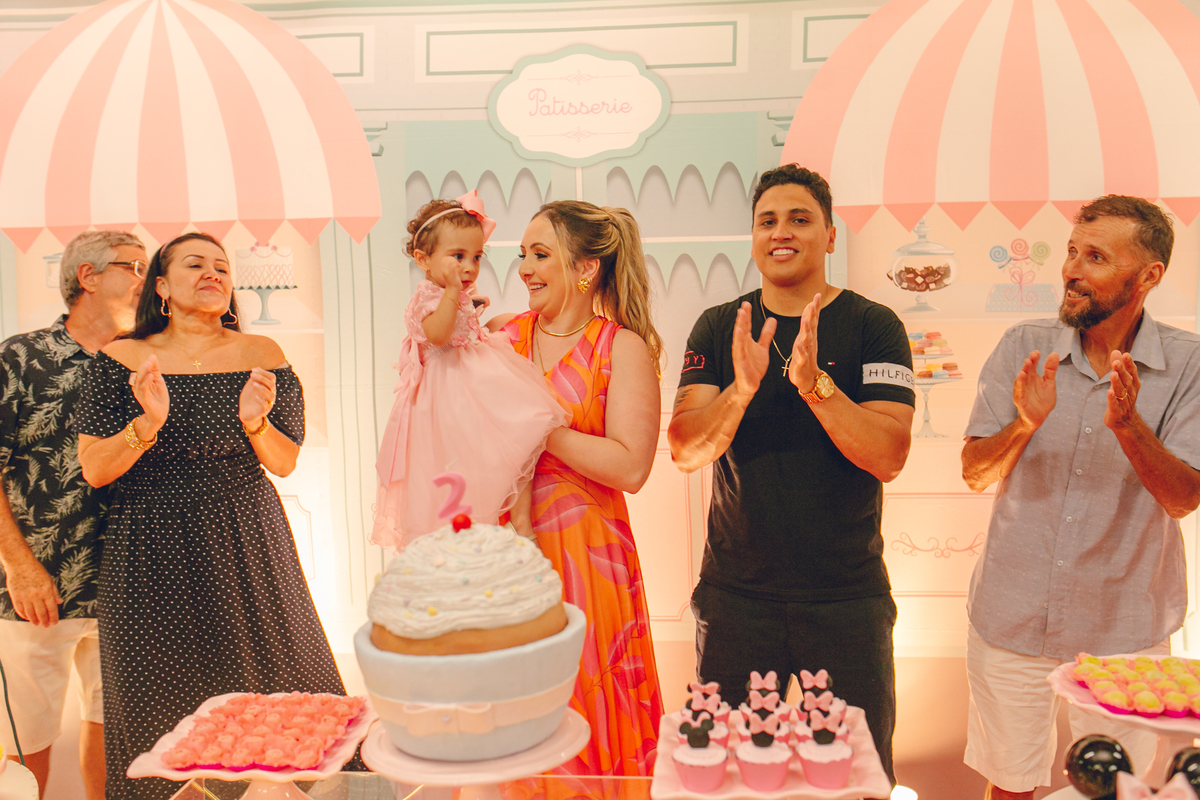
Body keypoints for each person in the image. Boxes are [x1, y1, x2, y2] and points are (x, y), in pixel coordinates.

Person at [74, 232, 349, 800]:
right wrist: (146, 425)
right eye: (195, 264)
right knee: (160, 697)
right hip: (149, 542)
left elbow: (285, 461)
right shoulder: (122, 359)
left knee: (269, 685)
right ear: (161, 286)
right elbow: (95, 469)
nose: (213, 274)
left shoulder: (262, 354)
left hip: (244, 537)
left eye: (222, 267)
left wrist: (255, 422)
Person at [667, 164, 915, 782]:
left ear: (830, 236)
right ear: (753, 237)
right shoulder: (720, 327)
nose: (781, 232)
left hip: (847, 600)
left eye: (799, 219)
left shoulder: (874, 325)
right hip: (736, 600)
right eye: (767, 221)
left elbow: (889, 454)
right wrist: (740, 389)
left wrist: (815, 386)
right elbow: (686, 450)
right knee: (731, 779)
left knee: (859, 779)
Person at [961, 196, 1200, 800]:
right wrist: (1024, 424)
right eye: (1072, 252)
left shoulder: (1189, 364)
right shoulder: (1024, 345)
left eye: (1096, 257)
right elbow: (975, 473)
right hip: (1010, 619)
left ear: (1148, 276)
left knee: (1117, 789)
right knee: (1010, 785)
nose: (1071, 269)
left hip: (1128, 629)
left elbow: (1183, 500)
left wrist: (1130, 426)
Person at [490, 200, 664, 775]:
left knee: (583, 709)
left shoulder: (621, 347)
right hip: (506, 557)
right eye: (524, 255)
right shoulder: (502, 338)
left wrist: (542, 426)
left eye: (541, 255)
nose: (525, 269)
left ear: (586, 268)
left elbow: (631, 467)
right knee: (512, 715)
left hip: (588, 564)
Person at [0, 231, 146, 799]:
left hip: (127, 587)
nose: (148, 280)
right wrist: (19, 568)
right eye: (135, 267)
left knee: (116, 739)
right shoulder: (19, 358)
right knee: (24, 744)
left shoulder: (146, 360)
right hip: (37, 592)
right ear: (88, 276)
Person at [373, 192, 566, 547]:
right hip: (448, 392)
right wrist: (452, 294)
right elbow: (438, 333)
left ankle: (521, 521)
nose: (469, 267)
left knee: (518, 438)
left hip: (476, 374)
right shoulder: (426, 298)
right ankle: (476, 532)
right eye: (458, 257)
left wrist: (467, 304)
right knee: (466, 466)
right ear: (423, 259)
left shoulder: (456, 293)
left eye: (477, 257)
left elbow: (462, 326)